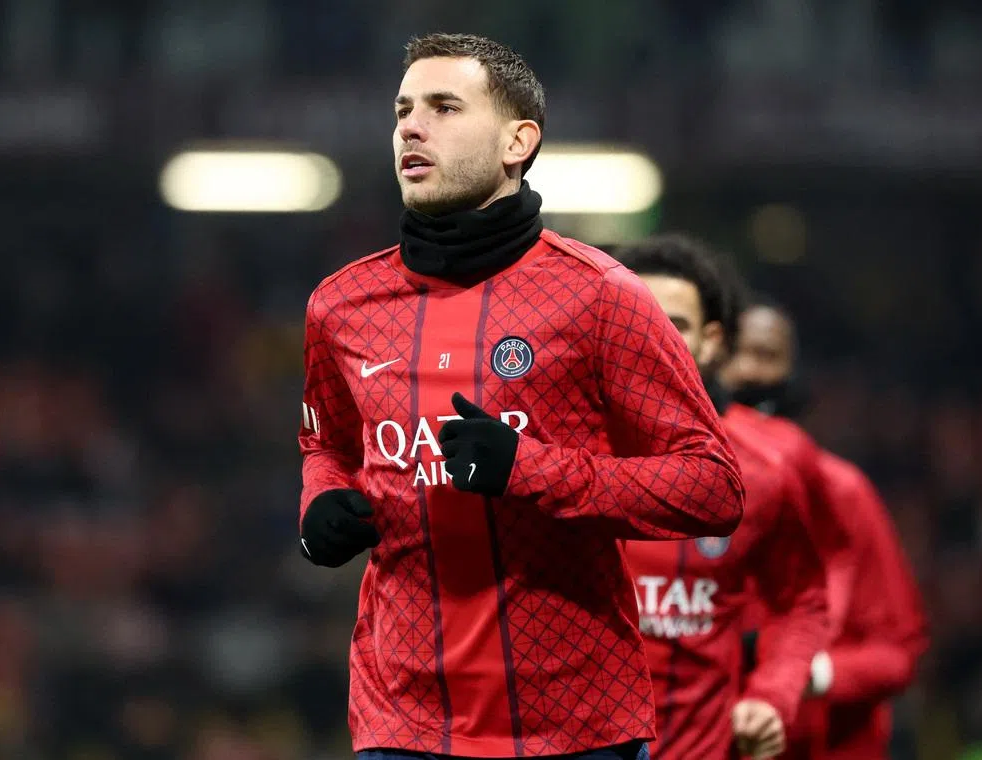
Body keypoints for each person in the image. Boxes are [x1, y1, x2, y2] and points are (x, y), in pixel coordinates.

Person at [297, 34, 746, 760]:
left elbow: (714, 487)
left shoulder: (601, 297)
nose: (412, 126)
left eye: (445, 107)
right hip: (401, 721)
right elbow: (327, 444)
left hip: (575, 727)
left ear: (518, 140)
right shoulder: (341, 306)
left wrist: (531, 470)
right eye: (404, 109)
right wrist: (320, 504)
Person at [616, 235, 830, 760]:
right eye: (635, 318)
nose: (654, 337)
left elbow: (801, 602)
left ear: (712, 342)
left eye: (676, 324)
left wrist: (772, 695)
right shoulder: (554, 458)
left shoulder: (762, 473)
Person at [721, 300, 929, 760]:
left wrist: (809, 674)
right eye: (735, 352)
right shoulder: (676, 489)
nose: (749, 371)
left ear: (795, 372)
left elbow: (898, 651)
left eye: (767, 354)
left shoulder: (842, 492)